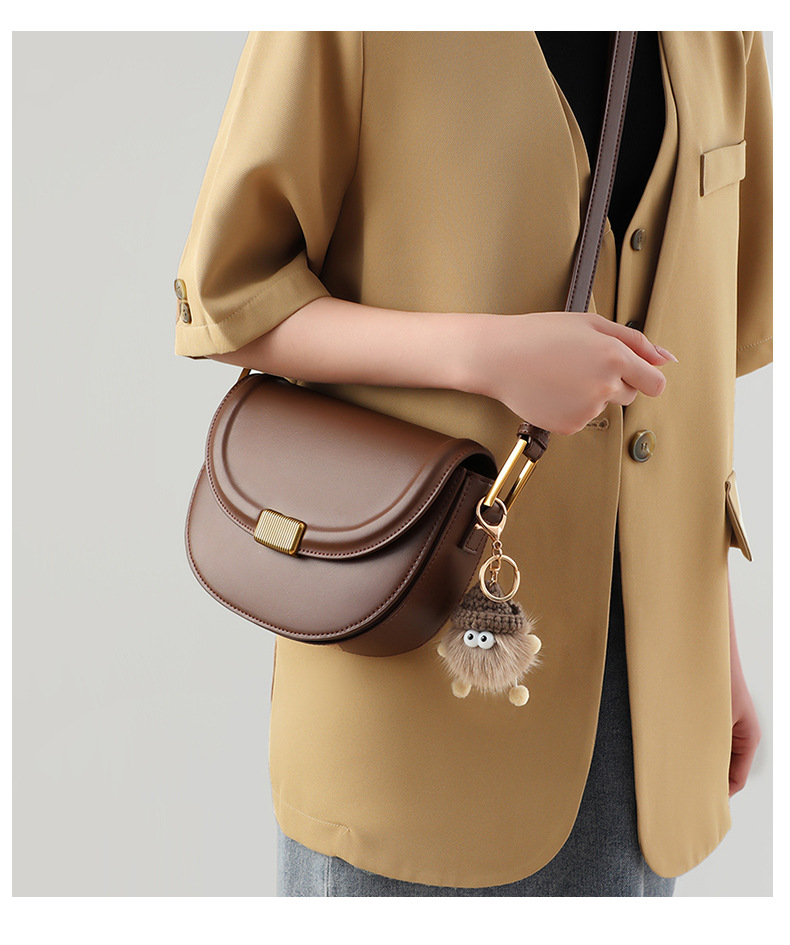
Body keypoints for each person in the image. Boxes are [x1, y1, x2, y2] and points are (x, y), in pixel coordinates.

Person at [174, 32, 772, 896]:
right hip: (406, 681)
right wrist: (487, 355)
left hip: (643, 721)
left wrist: (717, 647)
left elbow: (696, 373)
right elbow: (227, 299)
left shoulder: (722, 31)